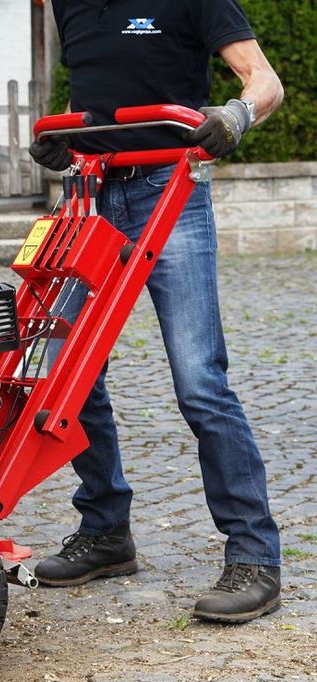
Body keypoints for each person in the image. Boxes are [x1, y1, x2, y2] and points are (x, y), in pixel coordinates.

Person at [29, 0, 284, 623]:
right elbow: (101, 101)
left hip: (169, 190)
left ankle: (254, 555)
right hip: (89, 192)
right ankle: (106, 531)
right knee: (68, 374)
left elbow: (264, 81)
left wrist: (235, 116)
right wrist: (62, 137)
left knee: (200, 381)